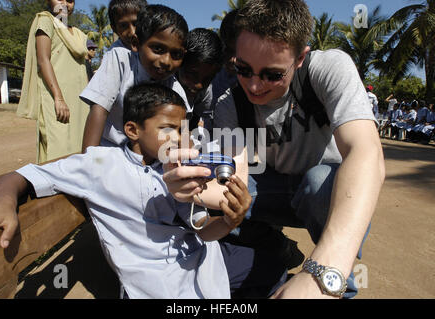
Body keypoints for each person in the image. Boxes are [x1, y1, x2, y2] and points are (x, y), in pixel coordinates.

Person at [162, 0, 385, 299]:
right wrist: (191, 190)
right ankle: (273, 250)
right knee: (231, 194)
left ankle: (337, 288)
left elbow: (365, 151)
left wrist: (323, 270)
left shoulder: (328, 68)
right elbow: (234, 178)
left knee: (319, 181)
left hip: (321, 193)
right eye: (243, 69)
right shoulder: (230, 102)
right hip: (274, 189)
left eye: (272, 74)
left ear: (301, 58)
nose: (254, 86)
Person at [0, 83, 289, 299]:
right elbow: (23, 174)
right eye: (169, 129)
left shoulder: (173, 168)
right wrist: (2, 200)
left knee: (274, 268)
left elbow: (199, 232)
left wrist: (229, 221)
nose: (181, 138)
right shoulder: (99, 165)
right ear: (132, 130)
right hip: (153, 284)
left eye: (183, 129)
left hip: (202, 263)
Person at [80, 4, 190, 151]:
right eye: (158, 49)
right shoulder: (119, 60)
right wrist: (88, 161)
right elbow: (99, 109)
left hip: (148, 160)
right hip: (109, 150)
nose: (166, 61)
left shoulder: (174, 87)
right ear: (136, 44)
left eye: (176, 54)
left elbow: (183, 134)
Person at [16, 0, 90, 164]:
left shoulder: (77, 34)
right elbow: (43, 60)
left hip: (80, 103)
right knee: (58, 150)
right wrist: (58, 98)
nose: (65, 4)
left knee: (79, 149)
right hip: (57, 99)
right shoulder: (45, 20)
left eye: (70, 0)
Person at [176, 28, 224, 131]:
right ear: (180, 62)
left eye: (207, 78)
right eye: (192, 74)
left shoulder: (204, 92)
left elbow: (193, 123)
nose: (199, 85)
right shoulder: (164, 82)